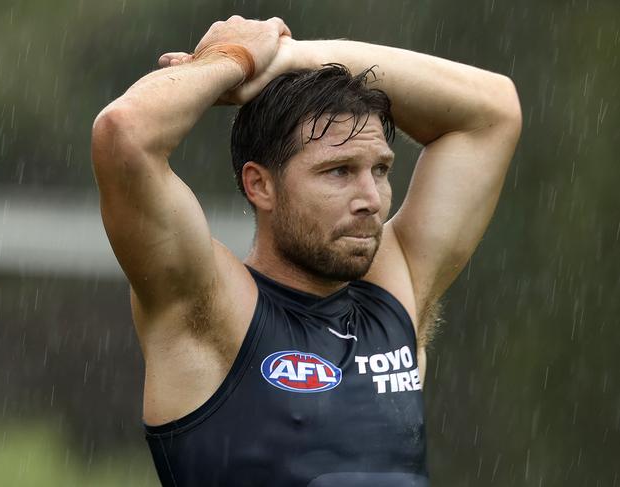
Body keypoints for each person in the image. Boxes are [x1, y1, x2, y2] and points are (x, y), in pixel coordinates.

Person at [91, 15, 521, 487]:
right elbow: (123, 133)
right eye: (338, 171)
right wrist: (233, 59)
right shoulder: (211, 308)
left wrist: (290, 57)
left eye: (379, 170)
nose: (371, 199)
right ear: (260, 185)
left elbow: (494, 110)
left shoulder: (397, 290)